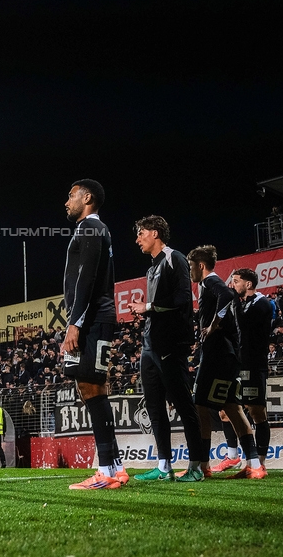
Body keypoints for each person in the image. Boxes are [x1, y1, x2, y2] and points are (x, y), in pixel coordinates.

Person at [60, 180, 127, 490]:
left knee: (91, 387)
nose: (67, 201)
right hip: (92, 319)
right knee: (92, 390)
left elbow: (86, 278)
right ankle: (115, 466)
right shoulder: (93, 229)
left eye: (71, 195)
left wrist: (74, 324)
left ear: (87, 198)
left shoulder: (90, 227)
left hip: (92, 321)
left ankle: (105, 472)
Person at [126, 215, 204, 482]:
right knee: (155, 407)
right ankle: (164, 466)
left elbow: (183, 297)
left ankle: (196, 466)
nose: (137, 239)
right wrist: (147, 313)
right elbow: (161, 306)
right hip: (150, 345)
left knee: (183, 404)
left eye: (141, 233)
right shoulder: (151, 268)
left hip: (171, 345)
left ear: (155, 233)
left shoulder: (176, 258)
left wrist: (147, 307)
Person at [188, 248, 264, 480]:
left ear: (200, 265)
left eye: (190, 265)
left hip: (218, 355)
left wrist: (213, 324)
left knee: (200, 405)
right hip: (229, 355)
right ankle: (254, 465)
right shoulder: (208, 285)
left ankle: (202, 466)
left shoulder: (211, 281)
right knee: (232, 406)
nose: (189, 270)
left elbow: (228, 296)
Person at [231, 267, 273, 477]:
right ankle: (244, 457)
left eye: (236, 281)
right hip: (239, 365)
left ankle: (260, 462)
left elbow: (245, 326)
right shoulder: (245, 304)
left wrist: (235, 305)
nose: (233, 285)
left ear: (248, 284)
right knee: (228, 410)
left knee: (257, 412)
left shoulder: (262, 304)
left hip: (254, 365)